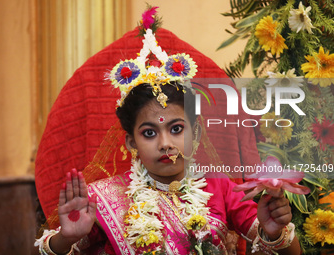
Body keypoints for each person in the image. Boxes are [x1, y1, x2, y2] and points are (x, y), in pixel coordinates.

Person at [35, 7, 302, 255]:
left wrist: (274, 231)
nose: (165, 143)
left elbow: (289, 250)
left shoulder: (219, 186)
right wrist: (66, 239)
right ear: (131, 141)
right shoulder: (103, 198)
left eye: (176, 129)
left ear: (195, 134)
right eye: (149, 133)